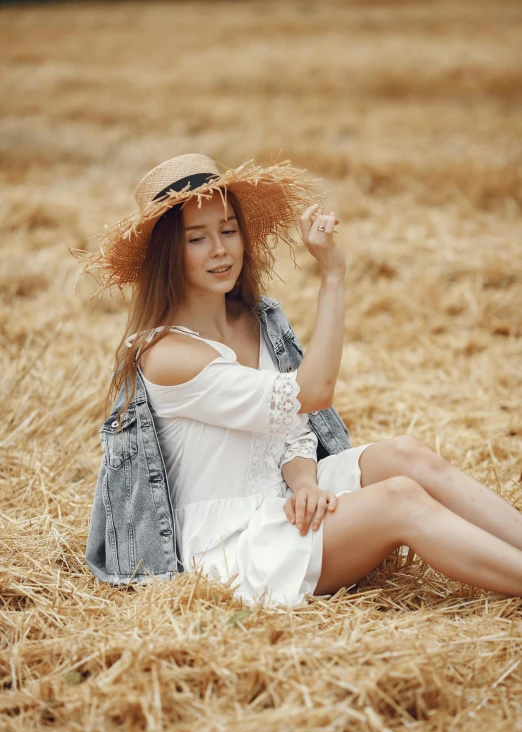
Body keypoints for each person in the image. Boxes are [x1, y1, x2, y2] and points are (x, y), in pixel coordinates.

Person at [73, 153, 522, 606]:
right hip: (233, 545)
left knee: (404, 455)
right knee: (400, 499)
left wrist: (306, 484)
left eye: (228, 230)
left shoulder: (256, 320)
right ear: (168, 255)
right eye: (197, 239)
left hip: (282, 498)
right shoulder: (167, 355)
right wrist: (332, 275)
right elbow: (312, 393)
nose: (220, 249)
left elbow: (290, 430)